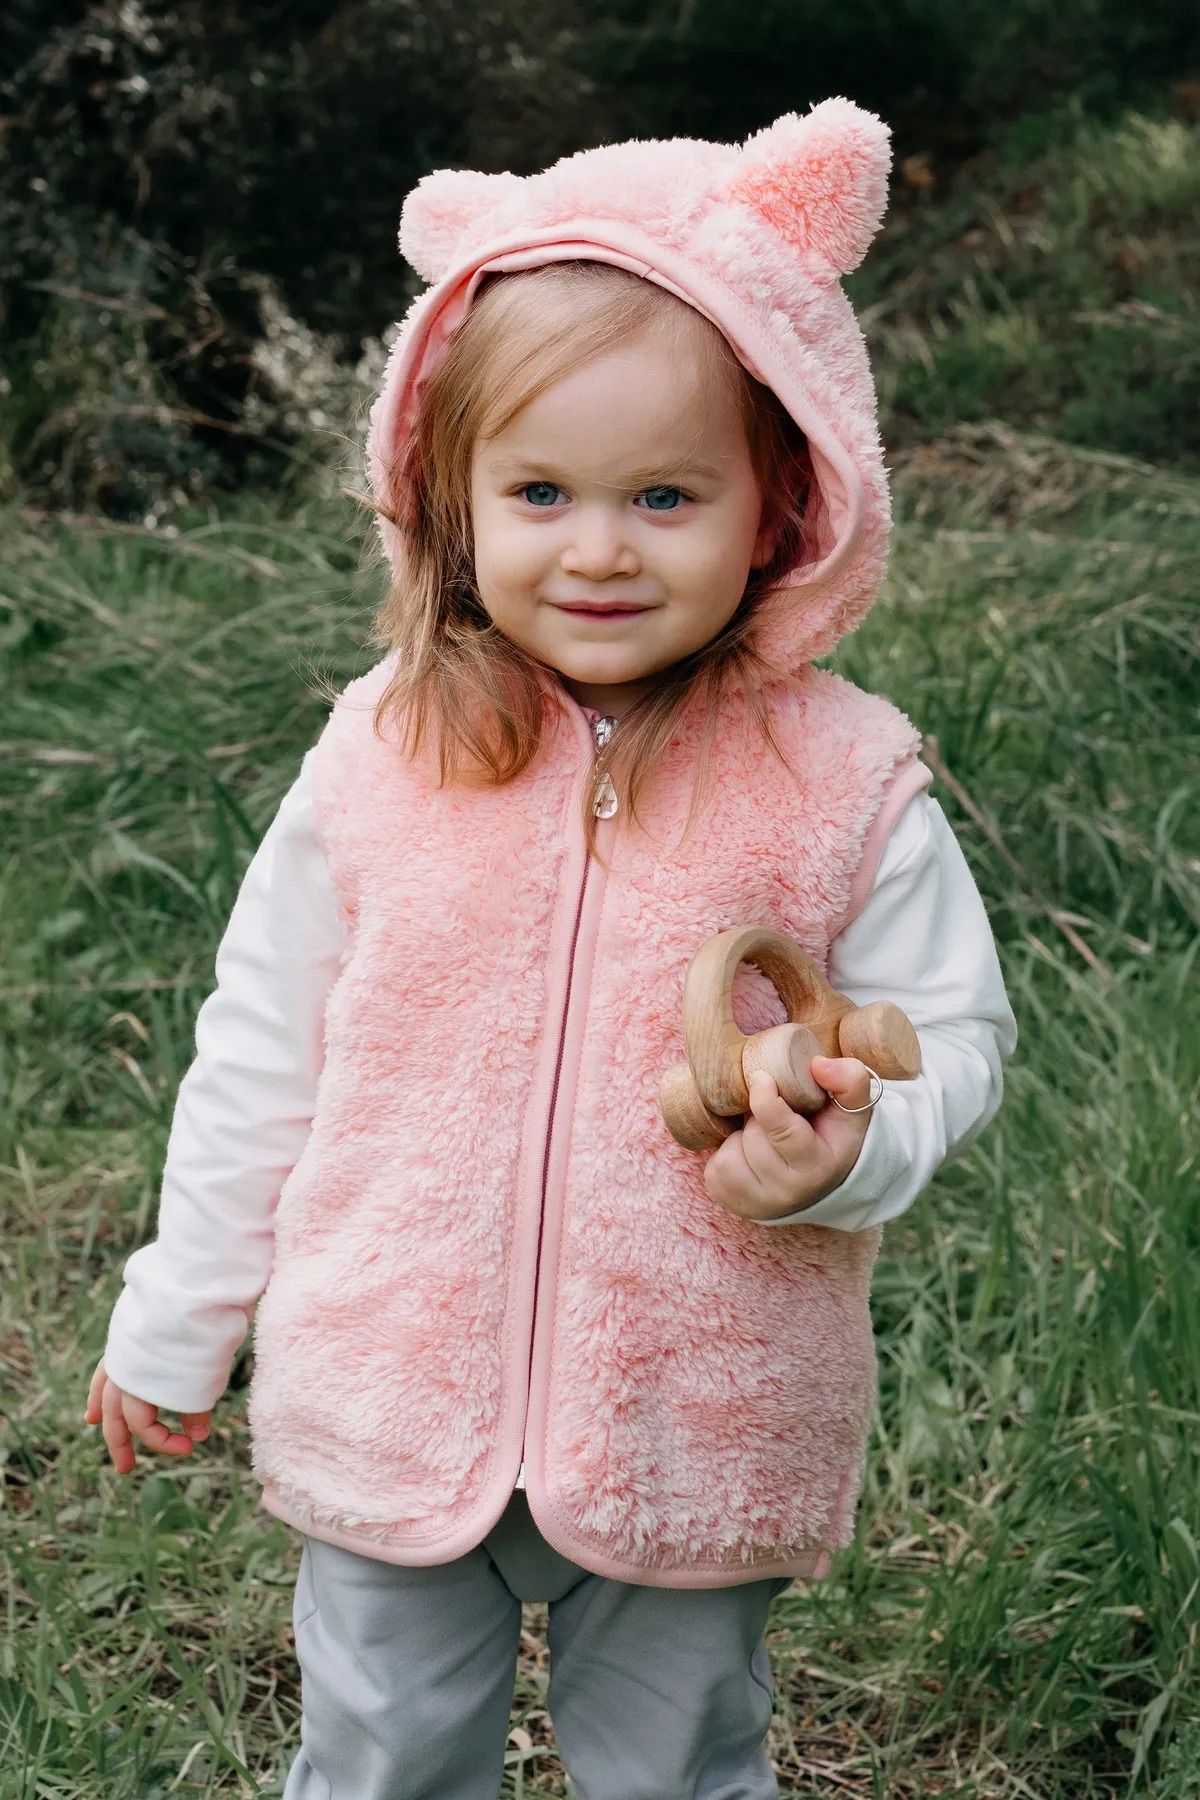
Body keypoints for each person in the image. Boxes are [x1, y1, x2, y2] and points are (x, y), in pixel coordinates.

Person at [85, 98, 1018, 1799]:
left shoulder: (844, 780)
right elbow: (260, 1047)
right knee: (377, 1755)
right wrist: (178, 1313)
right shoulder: (383, 754)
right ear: (447, 501)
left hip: (693, 1404)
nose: (597, 546)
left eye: (665, 493)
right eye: (539, 490)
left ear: (781, 501)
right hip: (392, 1368)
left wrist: (847, 1148)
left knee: (678, 1765)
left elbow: (952, 1037)